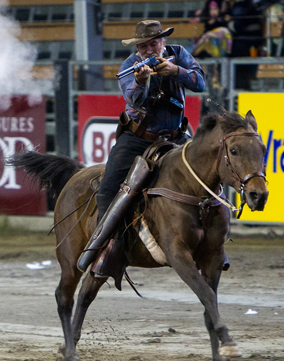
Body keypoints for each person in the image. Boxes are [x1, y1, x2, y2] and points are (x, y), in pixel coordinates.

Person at [77, 20, 206, 274]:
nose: (149, 49)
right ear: (138, 47)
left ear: (163, 42)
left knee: (205, 177)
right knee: (107, 190)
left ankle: (212, 244)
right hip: (139, 138)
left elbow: (200, 82)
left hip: (175, 137)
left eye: (153, 43)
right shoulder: (129, 67)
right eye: (144, 45)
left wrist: (175, 71)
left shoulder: (178, 55)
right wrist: (142, 81)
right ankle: (107, 249)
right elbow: (134, 99)